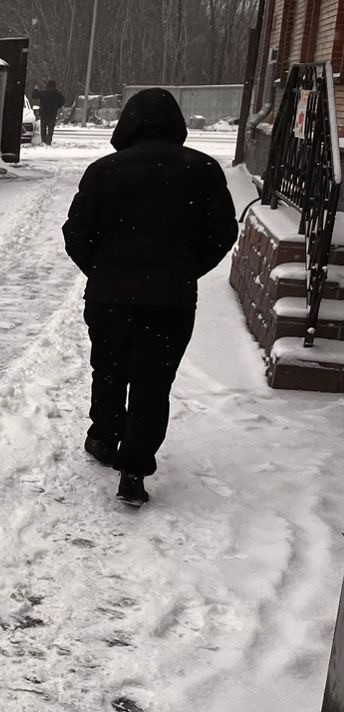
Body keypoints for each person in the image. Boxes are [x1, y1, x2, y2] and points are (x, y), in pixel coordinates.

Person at [62, 87, 237, 507]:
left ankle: (104, 437)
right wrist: (184, 271)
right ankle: (135, 469)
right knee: (152, 383)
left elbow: (76, 234)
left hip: (111, 297)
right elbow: (223, 233)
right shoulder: (203, 170)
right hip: (171, 301)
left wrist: (104, 272)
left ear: (129, 123)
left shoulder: (105, 171)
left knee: (108, 369)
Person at [38, 79, 66, 144]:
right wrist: (57, 106)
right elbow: (63, 101)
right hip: (53, 112)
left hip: (44, 112)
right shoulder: (57, 93)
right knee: (51, 127)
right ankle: (49, 140)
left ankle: (44, 139)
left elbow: (34, 96)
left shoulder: (43, 93)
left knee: (43, 127)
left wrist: (35, 89)